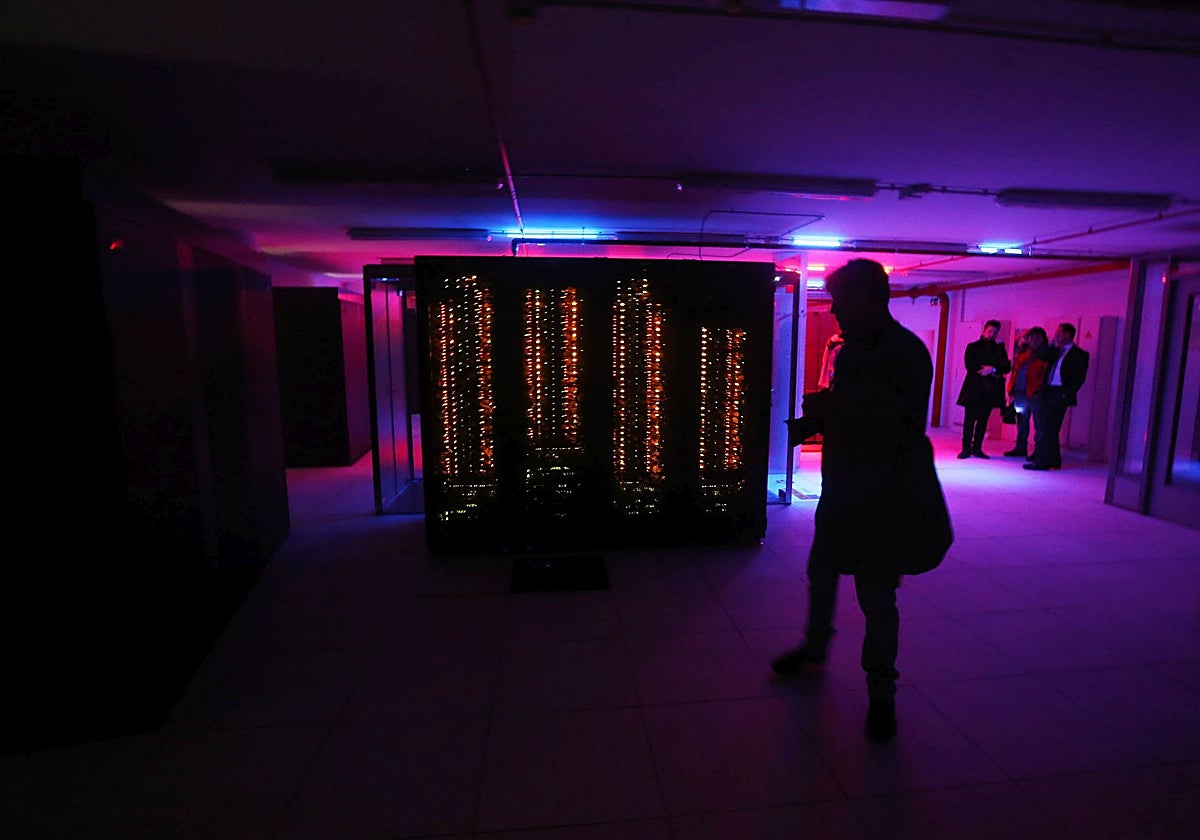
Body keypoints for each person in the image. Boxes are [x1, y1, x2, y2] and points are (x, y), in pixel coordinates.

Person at [774, 259, 953, 742]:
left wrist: (831, 414)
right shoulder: (858, 352)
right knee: (823, 572)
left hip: (882, 497)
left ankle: (882, 693)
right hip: (844, 488)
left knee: (876, 596)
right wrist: (823, 420)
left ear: (869, 299)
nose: (833, 311)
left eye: (840, 301)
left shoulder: (904, 354)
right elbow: (860, 413)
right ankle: (815, 649)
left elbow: (889, 426)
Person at [1025, 322, 1089, 471]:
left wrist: (1067, 392)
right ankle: (1054, 459)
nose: (1056, 335)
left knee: (1049, 427)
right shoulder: (1055, 351)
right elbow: (1040, 356)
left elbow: (1079, 378)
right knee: (1049, 427)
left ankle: (1042, 462)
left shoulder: (1080, 354)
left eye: (1059, 333)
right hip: (1048, 390)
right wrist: (1051, 345)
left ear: (1067, 335)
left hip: (1060, 392)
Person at [955, 319, 1011, 459]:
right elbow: (970, 365)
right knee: (969, 420)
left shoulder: (999, 349)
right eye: (990, 331)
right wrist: (987, 370)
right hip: (974, 388)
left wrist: (993, 369)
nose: (992, 334)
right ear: (984, 330)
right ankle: (966, 448)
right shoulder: (973, 346)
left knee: (983, 420)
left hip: (990, 390)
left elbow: (1006, 367)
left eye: (995, 332)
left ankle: (977, 448)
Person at [1003, 326, 1050, 459]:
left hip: (1036, 393)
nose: (1034, 341)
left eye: (1037, 338)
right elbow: (1015, 373)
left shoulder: (1046, 355)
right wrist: (1010, 389)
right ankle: (1020, 447)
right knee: (1022, 421)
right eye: (1031, 338)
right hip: (1020, 392)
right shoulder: (1023, 354)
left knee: (1038, 423)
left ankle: (1038, 451)